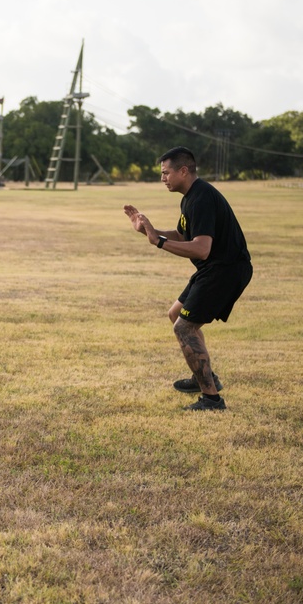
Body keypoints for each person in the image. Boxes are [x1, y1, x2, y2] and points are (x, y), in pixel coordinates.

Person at [124, 146, 252, 411]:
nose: (163, 178)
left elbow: (201, 248)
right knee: (176, 314)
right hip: (213, 268)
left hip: (225, 269)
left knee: (184, 327)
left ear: (183, 170)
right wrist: (149, 230)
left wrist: (157, 242)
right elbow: (184, 237)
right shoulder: (191, 197)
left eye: (166, 172)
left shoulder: (202, 197)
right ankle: (204, 377)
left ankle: (212, 399)